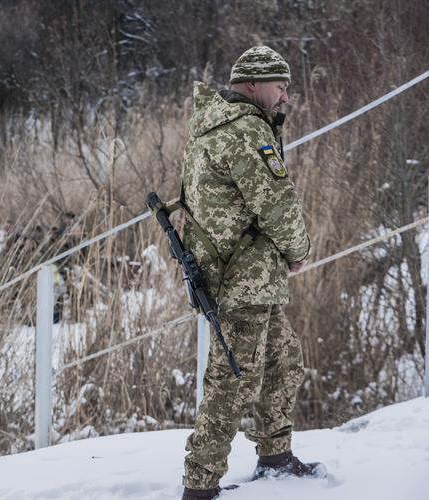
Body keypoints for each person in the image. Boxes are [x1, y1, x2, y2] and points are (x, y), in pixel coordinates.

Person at [178, 46, 319, 500]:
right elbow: (277, 203)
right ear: (254, 84)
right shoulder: (243, 131)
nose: (284, 98)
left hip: (244, 274)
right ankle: (199, 484)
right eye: (280, 87)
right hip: (244, 278)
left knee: (283, 360)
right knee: (232, 382)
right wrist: (298, 250)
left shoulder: (212, 125)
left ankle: (275, 457)